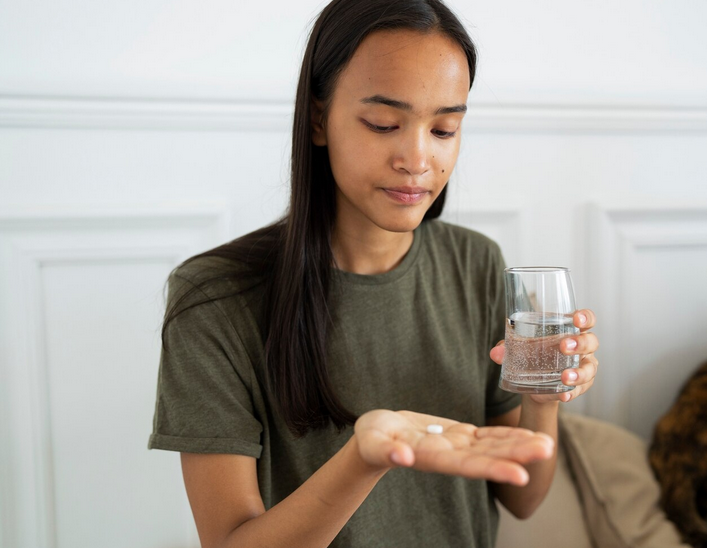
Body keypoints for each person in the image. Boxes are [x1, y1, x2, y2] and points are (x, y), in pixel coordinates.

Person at [148, 0, 600, 547]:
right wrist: (364, 458)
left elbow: (523, 497)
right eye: (384, 123)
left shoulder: (476, 263)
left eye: (444, 129)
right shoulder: (215, 299)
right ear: (318, 119)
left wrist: (542, 398)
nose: (416, 158)